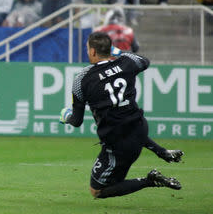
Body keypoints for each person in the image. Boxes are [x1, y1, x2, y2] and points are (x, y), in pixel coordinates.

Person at [59, 32, 184, 199]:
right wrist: (118, 52)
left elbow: (76, 121)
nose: (87, 52)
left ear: (93, 52)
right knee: (127, 125)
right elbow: (145, 61)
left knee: (97, 190)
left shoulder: (82, 79)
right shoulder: (126, 63)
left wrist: (65, 116)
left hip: (117, 143)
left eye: (88, 49)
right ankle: (163, 152)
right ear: (109, 49)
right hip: (139, 129)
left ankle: (150, 180)